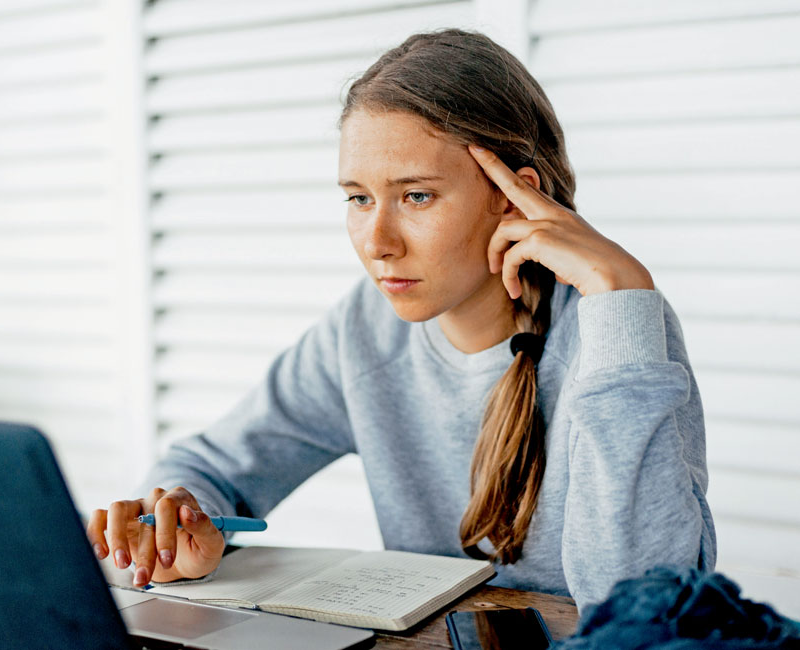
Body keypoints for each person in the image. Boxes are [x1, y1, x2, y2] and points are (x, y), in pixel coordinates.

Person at [87, 28, 716, 610]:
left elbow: (646, 603)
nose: (377, 241)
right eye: (358, 199)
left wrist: (623, 290)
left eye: (416, 195)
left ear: (512, 198)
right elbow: (213, 465)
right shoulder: (366, 330)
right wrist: (177, 520)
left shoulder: (617, 336)